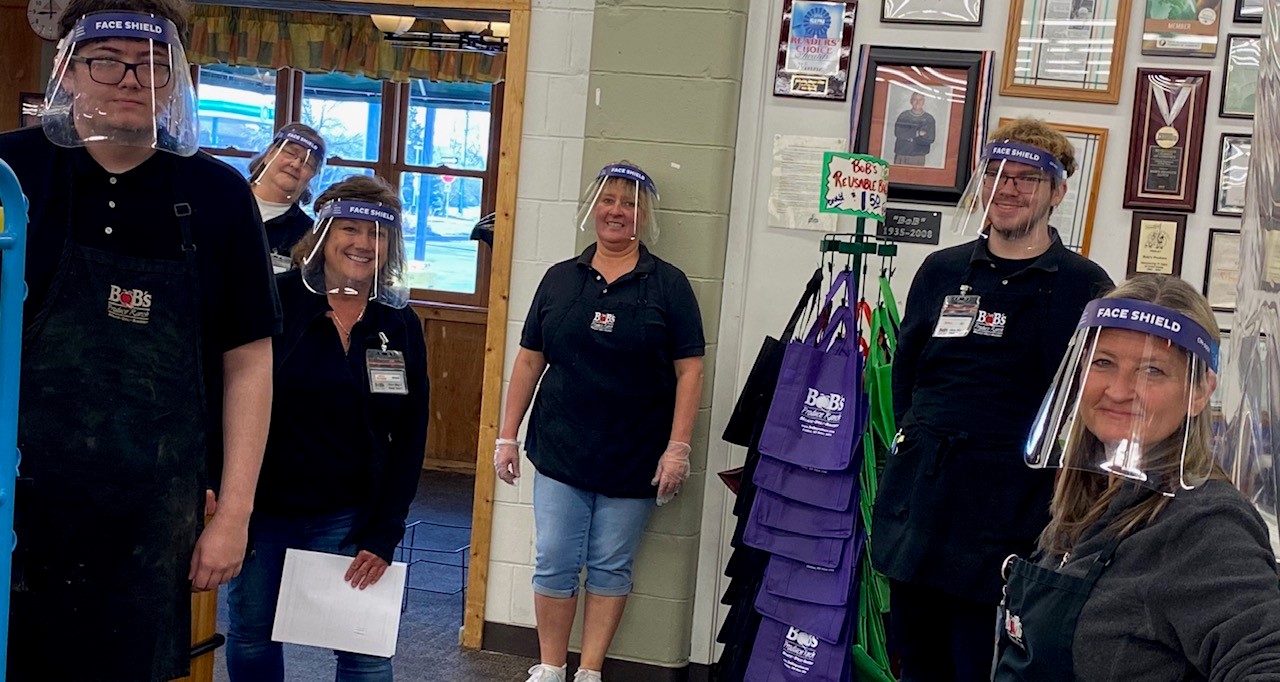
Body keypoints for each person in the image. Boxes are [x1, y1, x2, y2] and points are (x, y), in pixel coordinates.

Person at [0, 1, 280, 679]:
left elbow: (249, 363)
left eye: (153, 64)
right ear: (68, 70)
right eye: (107, 61)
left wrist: (234, 514)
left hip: (149, 516)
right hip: (12, 504)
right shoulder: (8, 174)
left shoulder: (218, 195)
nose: (130, 79)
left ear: (176, 78)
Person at [870, 118, 1113, 681]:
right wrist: (914, 438)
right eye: (997, 175)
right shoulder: (942, 270)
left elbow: (1089, 396)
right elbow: (908, 370)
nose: (1007, 189)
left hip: (1012, 510)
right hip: (924, 502)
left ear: (1057, 192)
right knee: (917, 659)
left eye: (1027, 178)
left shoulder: (1084, 285)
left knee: (983, 663)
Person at [996, 275, 1280, 680]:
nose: (1118, 390)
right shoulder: (1091, 498)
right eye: (1104, 362)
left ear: (1200, 392)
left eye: (1152, 370)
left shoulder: (1206, 525)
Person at [494, 162, 705, 682]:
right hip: (560, 447)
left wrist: (678, 448)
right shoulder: (560, 279)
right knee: (554, 559)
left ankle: (589, 671)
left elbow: (690, 370)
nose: (617, 211)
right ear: (593, 209)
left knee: (611, 564)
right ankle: (550, 667)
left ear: (644, 215)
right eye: (608, 200)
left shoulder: (669, 285)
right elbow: (529, 360)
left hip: (635, 454)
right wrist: (506, 436)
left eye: (629, 203)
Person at [225, 175, 429, 681]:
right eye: (350, 228)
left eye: (378, 234)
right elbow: (225, 399)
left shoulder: (398, 322)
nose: (363, 243)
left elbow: (409, 437)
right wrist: (222, 499)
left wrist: (385, 531)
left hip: (349, 514)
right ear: (322, 234)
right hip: (261, 509)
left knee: (364, 653)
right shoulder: (276, 300)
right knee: (252, 636)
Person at [247, 123, 327, 273]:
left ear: (312, 175)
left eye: (307, 163)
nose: (295, 164)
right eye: (291, 153)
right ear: (270, 154)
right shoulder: (227, 200)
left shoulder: (307, 235)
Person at [892, 92, 936, 166]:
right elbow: (898, 133)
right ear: (911, 101)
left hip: (918, 157)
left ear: (924, 102)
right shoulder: (903, 116)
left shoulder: (929, 119)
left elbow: (930, 138)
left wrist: (907, 134)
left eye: (920, 100)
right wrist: (917, 133)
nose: (917, 102)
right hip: (901, 155)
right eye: (915, 99)